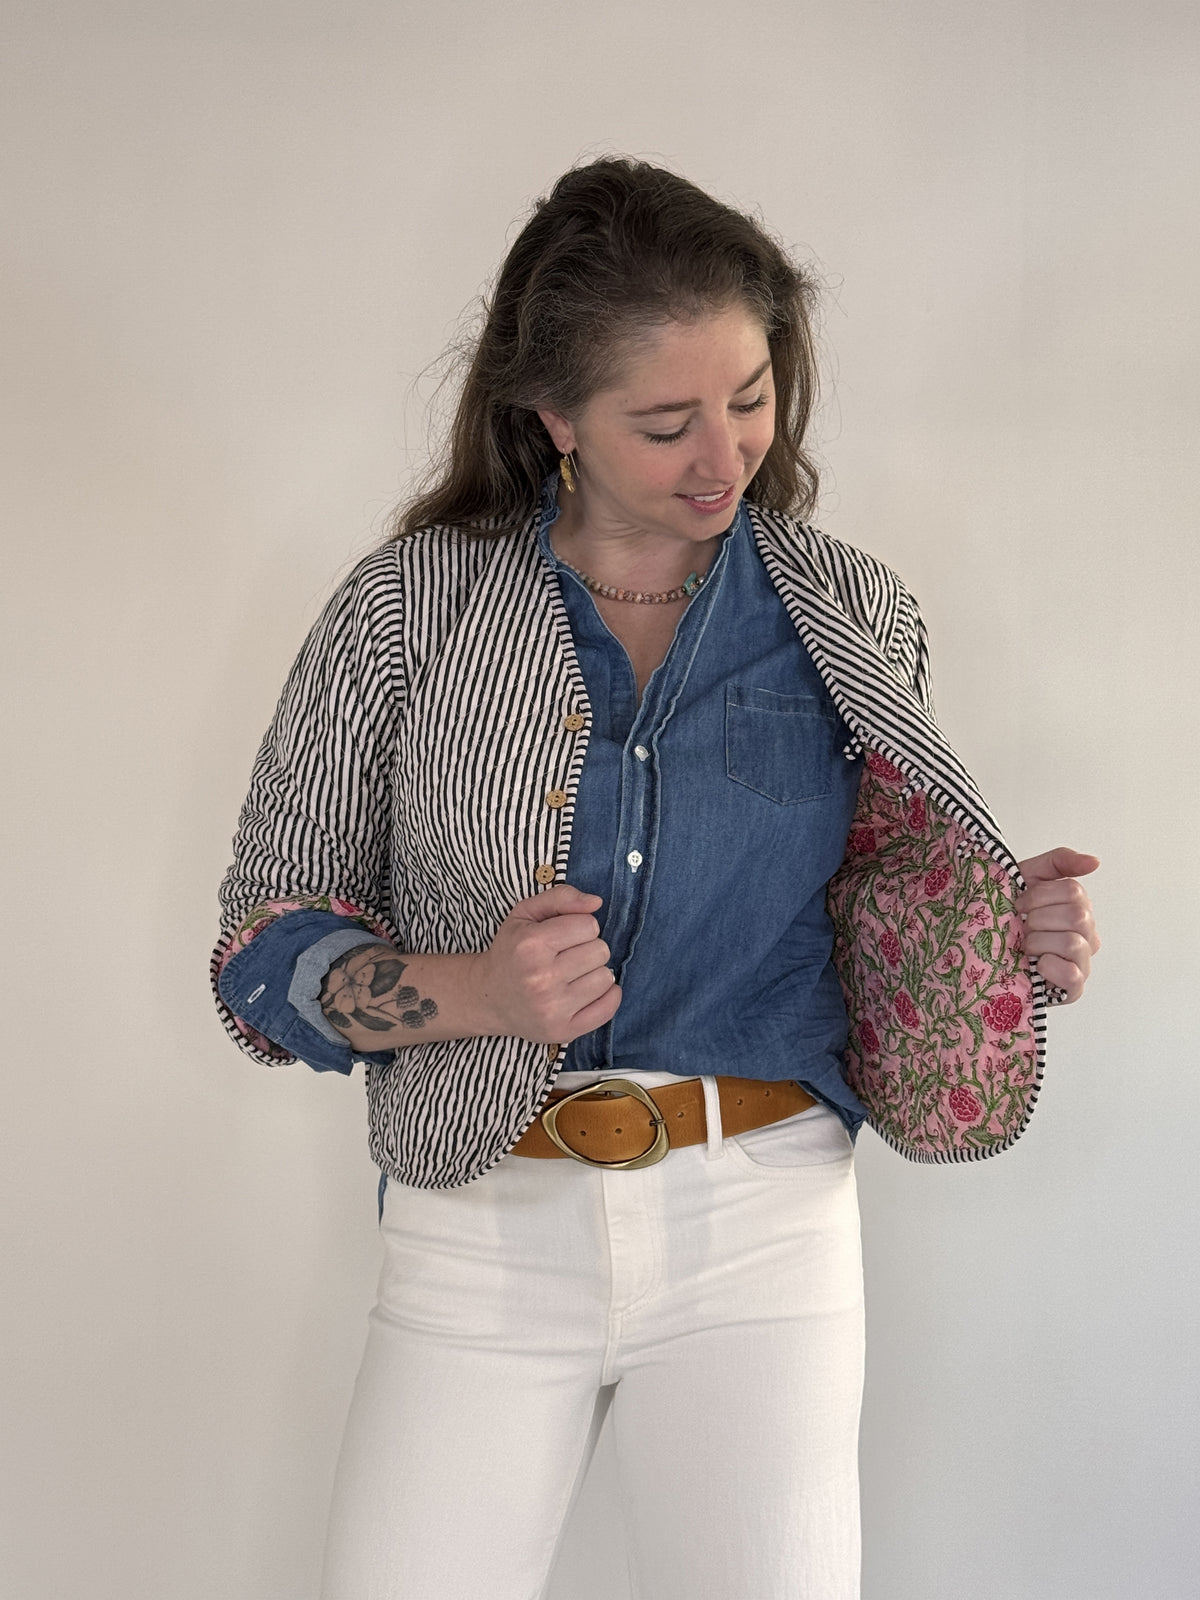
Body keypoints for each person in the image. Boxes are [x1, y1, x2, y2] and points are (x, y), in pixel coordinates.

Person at [212, 157, 1099, 1600]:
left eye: (751, 397)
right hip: (478, 1225)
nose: (724, 454)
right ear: (553, 416)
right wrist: (470, 989)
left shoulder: (853, 615)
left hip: (766, 1232)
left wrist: (998, 937)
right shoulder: (406, 610)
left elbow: (875, 910)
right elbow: (257, 957)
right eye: (666, 421)